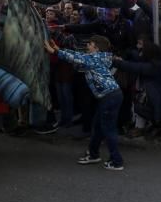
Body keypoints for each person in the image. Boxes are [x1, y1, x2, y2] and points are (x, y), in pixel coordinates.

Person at [46, 35, 125, 170]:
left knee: (108, 129)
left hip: (109, 97)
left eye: (90, 43)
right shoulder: (98, 57)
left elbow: (78, 58)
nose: (87, 45)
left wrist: (56, 52)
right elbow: (78, 56)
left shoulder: (94, 58)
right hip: (110, 96)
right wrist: (59, 49)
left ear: (96, 48)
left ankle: (116, 161)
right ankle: (94, 154)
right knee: (98, 127)